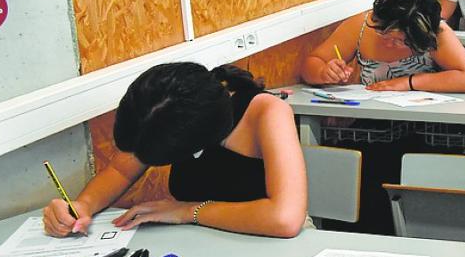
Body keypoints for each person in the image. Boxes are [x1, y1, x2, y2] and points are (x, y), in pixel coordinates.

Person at [42, 63, 307, 239]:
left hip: (269, 245)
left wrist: (186, 211)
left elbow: (285, 218)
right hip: (201, 244)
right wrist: (82, 205)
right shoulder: (162, 106)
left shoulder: (267, 112)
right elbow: (120, 170)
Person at [303, 0, 465, 93]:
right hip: (371, 126)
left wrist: (408, 83)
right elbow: (311, 64)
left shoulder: (436, 33)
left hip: (427, 128)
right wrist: (323, 72)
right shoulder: (362, 26)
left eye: (401, 42)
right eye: (385, 35)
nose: (390, 44)